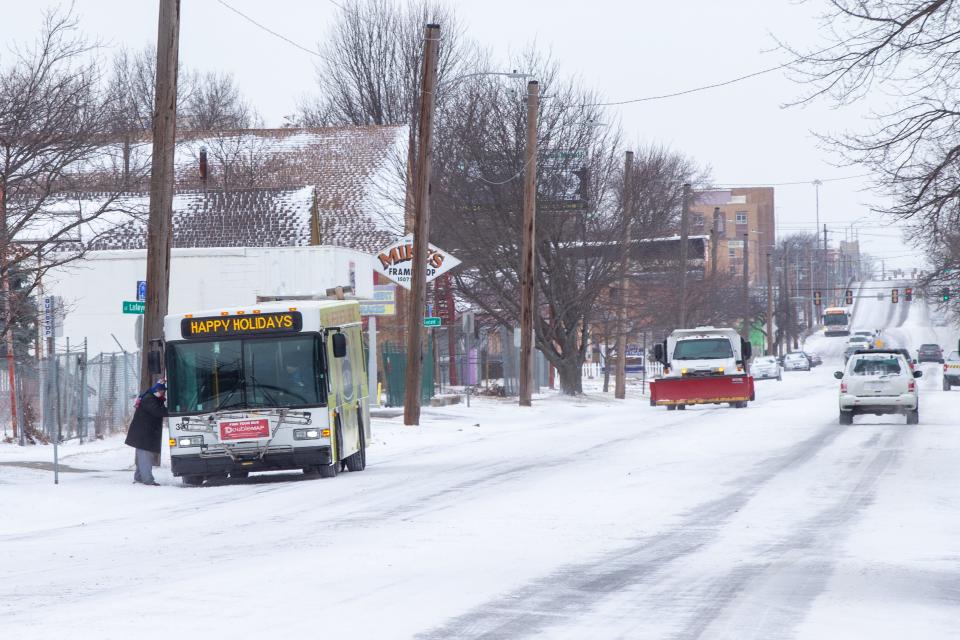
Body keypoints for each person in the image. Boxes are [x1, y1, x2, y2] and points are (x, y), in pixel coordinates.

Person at [125, 381, 168, 486]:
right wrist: (171, 410)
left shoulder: (150, 397)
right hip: (144, 434)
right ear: (157, 390)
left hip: (144, 433)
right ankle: (148, 480)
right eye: (162, 391)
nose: (163, 394)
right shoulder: (149, 399)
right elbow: (157, 411)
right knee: (146, 456)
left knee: (143, 457)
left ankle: (139, 477)